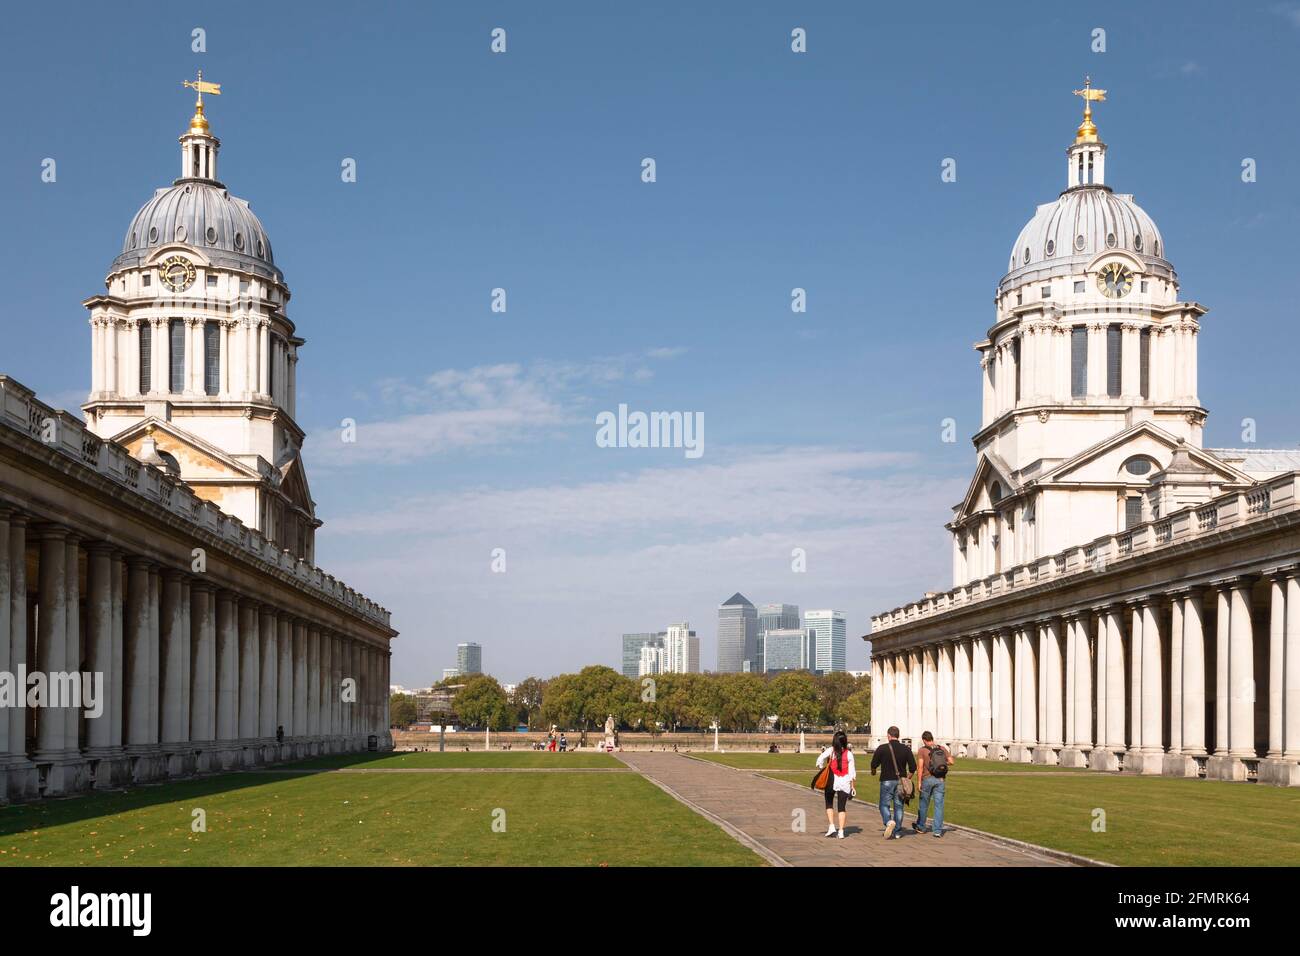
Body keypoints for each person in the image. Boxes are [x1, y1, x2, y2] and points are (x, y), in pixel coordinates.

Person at [869, 726, 916, 840]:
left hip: (887, 780)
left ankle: (888, 821)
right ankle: (898, 831)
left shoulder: (882, 748)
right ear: (898, 735)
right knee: (899, 806)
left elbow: (874, 763)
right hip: (901, 782)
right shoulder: (906, 749)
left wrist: (874, 771)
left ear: (889, 735)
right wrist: (907, 778)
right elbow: (913, 767)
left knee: (884, 805)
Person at [815, 730, 856, 839]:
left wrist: (821, 767)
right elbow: (852, 773)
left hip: (832, 780)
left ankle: (832, 826)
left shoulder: (831, 750)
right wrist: (853, 786)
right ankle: (841, 831)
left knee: (829, 803)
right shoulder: (849, 754)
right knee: (841, 807)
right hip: (845, 781)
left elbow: (819, 759)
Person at [913, 731, 953, 838]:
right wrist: (941, 763)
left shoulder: (922, 750)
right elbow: (951, 761)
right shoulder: (941, 748)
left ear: (924, 740)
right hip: (940, 780)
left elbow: (920, 767)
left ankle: (921, 826)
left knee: (924, 804)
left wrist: (919, 782)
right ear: (932, 738)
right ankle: (937, 831)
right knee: (939, 805)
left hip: (927, 779)